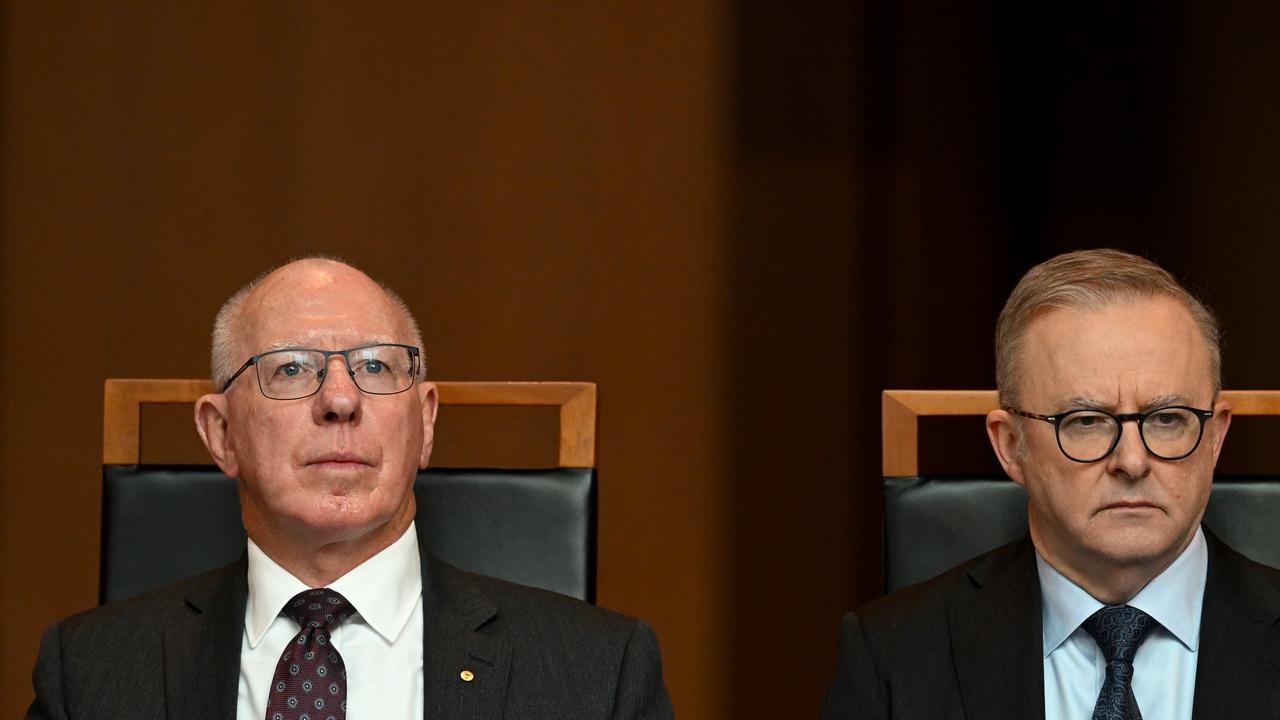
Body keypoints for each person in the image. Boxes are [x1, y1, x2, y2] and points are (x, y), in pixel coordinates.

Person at [26, 257, 674, 720]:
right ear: (220, 434)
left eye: (374, 366)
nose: (340, 399)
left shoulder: (602, 676)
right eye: (290, 368)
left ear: (425, 424)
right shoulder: (87, 676)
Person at [822, 249, 1280, 719]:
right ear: (1010, 445)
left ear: (1216, 436)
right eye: (1085, 421)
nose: (1132, 460)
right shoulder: (891, 656)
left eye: (1166, 419)